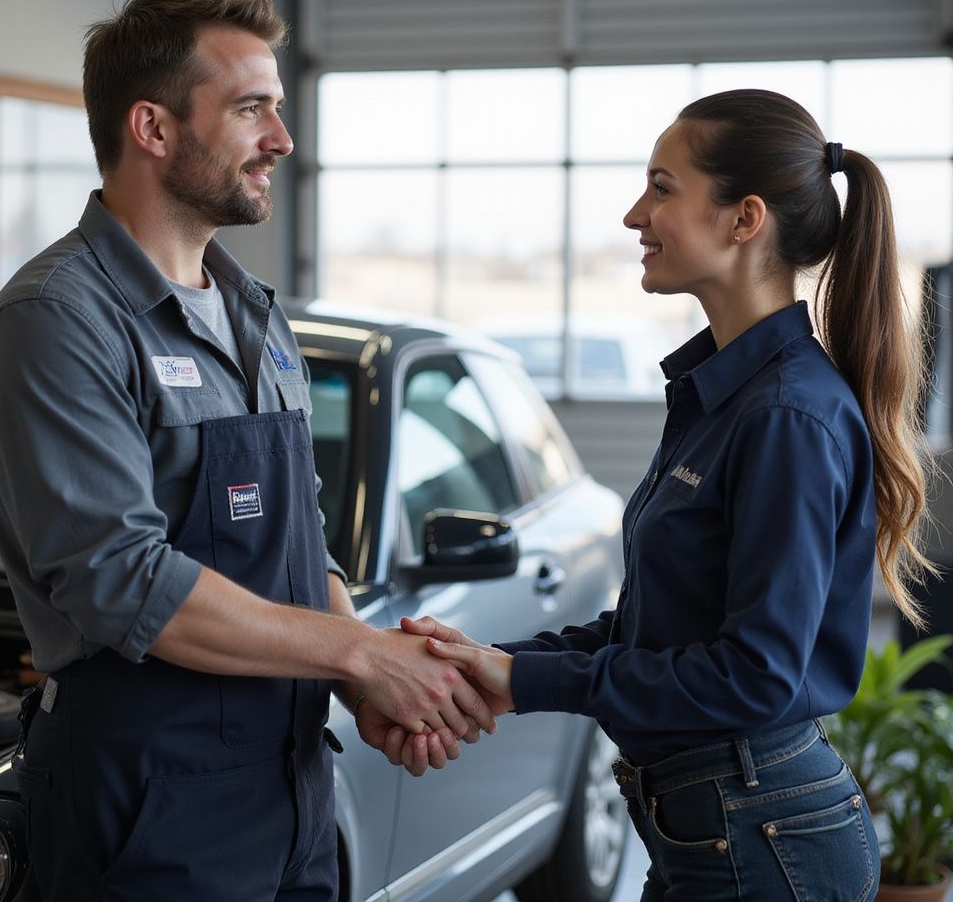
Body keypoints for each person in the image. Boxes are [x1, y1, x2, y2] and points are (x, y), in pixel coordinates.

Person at [0, 0, 493, 902]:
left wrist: (362, 680)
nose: (282, 140)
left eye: (277, 108)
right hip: (146, 803)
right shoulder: (59, 320)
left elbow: (300, 542)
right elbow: (121, 577)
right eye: (253, 109)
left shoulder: (251, 312)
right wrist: (358, 657)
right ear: (154, 129)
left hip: (289, 789)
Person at [402, 89, 937, 900]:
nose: (633, 215)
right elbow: (662, 627)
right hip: (716, 829)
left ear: (742, 218)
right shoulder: (722, 396)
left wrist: (525, 682)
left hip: (761, 840)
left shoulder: (785, 415)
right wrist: (499, 665)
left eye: (661, 187)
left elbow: (752, 675)